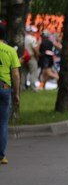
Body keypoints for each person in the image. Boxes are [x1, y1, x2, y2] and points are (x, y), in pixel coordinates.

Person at [0, 22, 21, 165]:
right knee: (2, 123)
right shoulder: (10, 51)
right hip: (4, 88)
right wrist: (16, 93)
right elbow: (16, 75)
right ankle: (1, 156)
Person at [23, 25, 40, 91]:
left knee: (24, 72)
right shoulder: (32, 38)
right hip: (31, 57)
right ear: (31, 31)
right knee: (33, 72)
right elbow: (35, 49)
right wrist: (37, 56)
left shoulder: (23, 37)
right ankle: (33, 87)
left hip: (24, 57)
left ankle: (22, 86)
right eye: (34, 32)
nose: (34, 33)